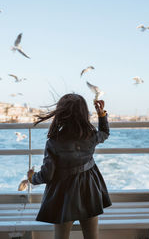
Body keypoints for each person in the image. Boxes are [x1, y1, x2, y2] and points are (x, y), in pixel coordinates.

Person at [27, 93, 111, 239]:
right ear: (84, 113)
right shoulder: (90, 136)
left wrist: (32, 178)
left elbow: (47, 175)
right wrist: (101, 114)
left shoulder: (54, 142)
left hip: (63, 195)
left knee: (61, 236)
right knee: (92, 236)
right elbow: (104, 132)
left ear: (61, 114)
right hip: (89, 190)